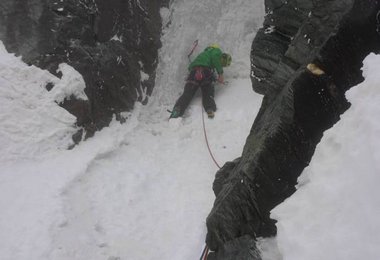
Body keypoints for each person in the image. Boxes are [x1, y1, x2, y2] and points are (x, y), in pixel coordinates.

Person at [170, 44, 232, 119]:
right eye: (223, 64)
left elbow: (190, 68)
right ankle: (210, 108)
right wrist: (220, 74)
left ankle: (177, 110)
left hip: (194, 72)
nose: (221, 65)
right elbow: (215, 59)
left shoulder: (203, 55)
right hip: (205, 72)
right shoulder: (216, 52)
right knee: (208, 92)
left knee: (187, 93)